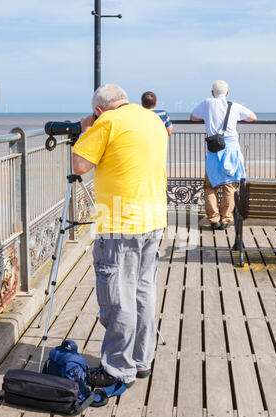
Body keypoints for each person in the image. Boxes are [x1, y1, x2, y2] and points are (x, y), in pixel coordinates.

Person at [72, 84, 168, 388]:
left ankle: (116, 368)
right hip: (153, 218)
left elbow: (80, 165)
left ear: (100, 109)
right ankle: (142, 360)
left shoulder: (107, 122)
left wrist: (87, 130)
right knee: (143, 291)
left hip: (119, 223)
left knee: (118, 297)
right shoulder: (153, 119)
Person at [190, 80, 257, 229]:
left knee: (210, 187)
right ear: (227, 93)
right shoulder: (234, 106)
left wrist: (207, 118)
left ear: (212, 93)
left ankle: (214, 219)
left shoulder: (207, 103)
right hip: (231, 149)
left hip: (214, 149)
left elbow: (193, 117)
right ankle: (226, 219)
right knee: (230, 185)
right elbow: (253, 117)